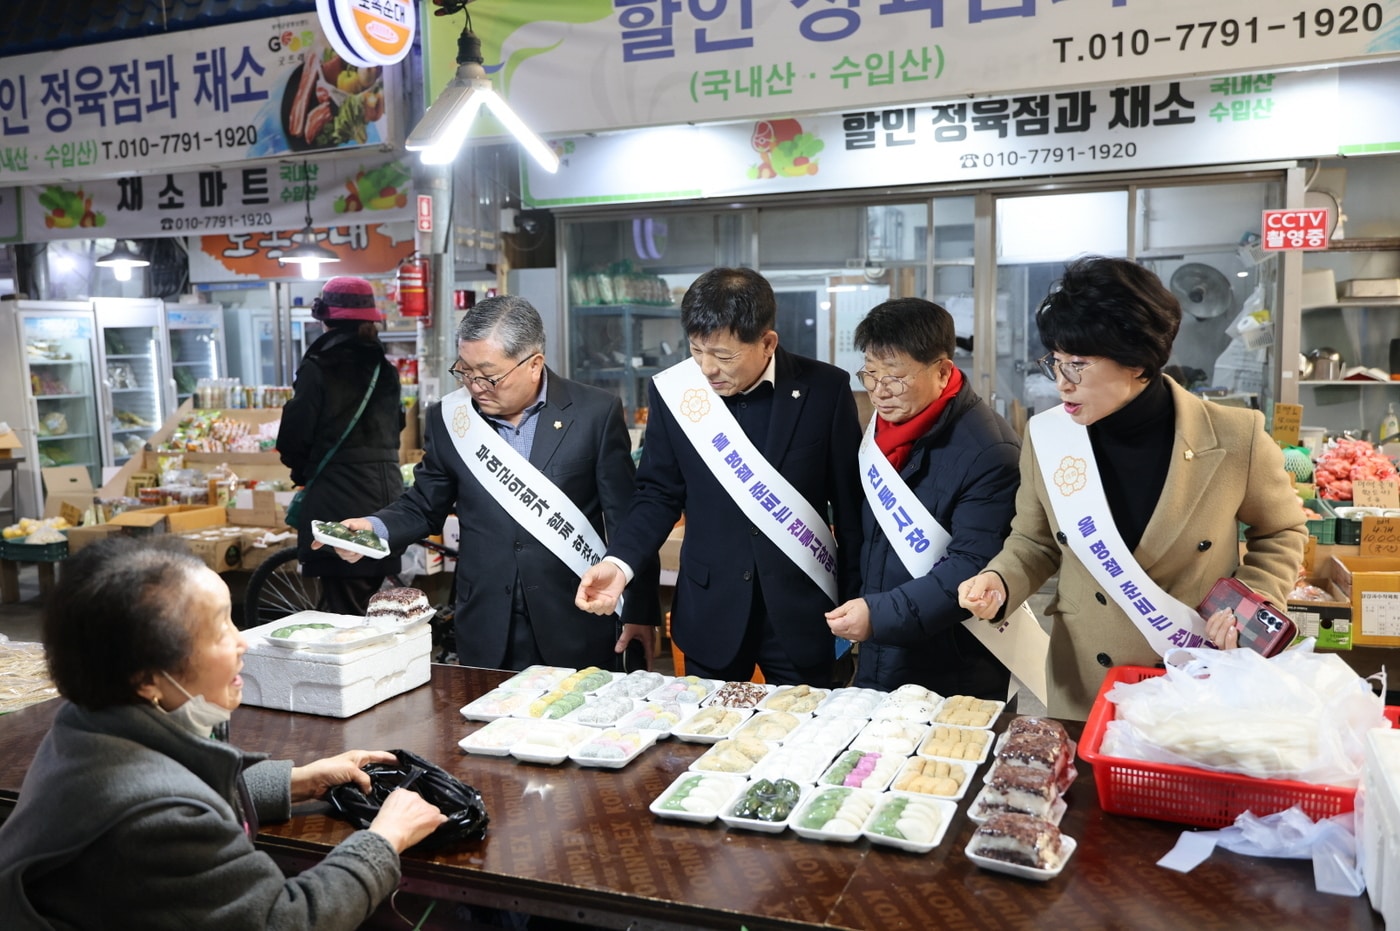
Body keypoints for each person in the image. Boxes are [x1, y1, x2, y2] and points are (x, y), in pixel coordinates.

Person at [0, 538, 445, 930]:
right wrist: (385, 839)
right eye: (220, 629)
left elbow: (183, 783)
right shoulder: (157, 820)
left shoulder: (86, 721)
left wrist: (298, 779)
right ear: (147, 677)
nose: (242, 642)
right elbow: (284, 919)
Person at [958, 256, 1306, 720]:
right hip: (1086, 679)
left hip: (1195, 672)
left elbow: (1281, 531)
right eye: (1055, 362)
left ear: (1138, 362)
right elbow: (1034, 541)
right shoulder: (1047, 438)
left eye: (1078, 365)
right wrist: (999, 581)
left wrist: (1249, 606)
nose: (1061, 382)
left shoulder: (1235, 437)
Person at [324, 295, 660, 671]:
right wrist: (374, 529)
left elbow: (626, 520)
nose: (475, 386)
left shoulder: (594, 413)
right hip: (486, 622)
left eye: (488, 374)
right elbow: (423, 503)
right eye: (464, 372)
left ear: (534, 364)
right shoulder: (450, 418)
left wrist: (641, 611)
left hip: (575, 618)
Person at [576, 267, 864, 686]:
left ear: (767, 342)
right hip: (711, 608)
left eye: (724, 356)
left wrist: (858, 598)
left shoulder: (825, 389)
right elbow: (657, 494)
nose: (707, 369)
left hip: (804, 613)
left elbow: (852, 508)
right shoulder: (676, 391)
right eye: (696, 350)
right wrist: (620, 564)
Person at [824, 298, 1021, 698]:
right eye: (870, 375)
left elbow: (972, 565)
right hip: (881, 645)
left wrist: (876, 615)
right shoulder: (885, 428)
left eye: (894, 377)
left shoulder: (990, 451)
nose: (879, 393)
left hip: (952, 662)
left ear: (943, 370)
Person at [278, 276, 404, 616]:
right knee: (369, 605)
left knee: (346, 613)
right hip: (387, 495)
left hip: (339, 497)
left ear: (325, 318)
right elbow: (398, 428)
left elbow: (294, 433)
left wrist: (301, 467)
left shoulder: (320, 366)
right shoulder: (385, 368)